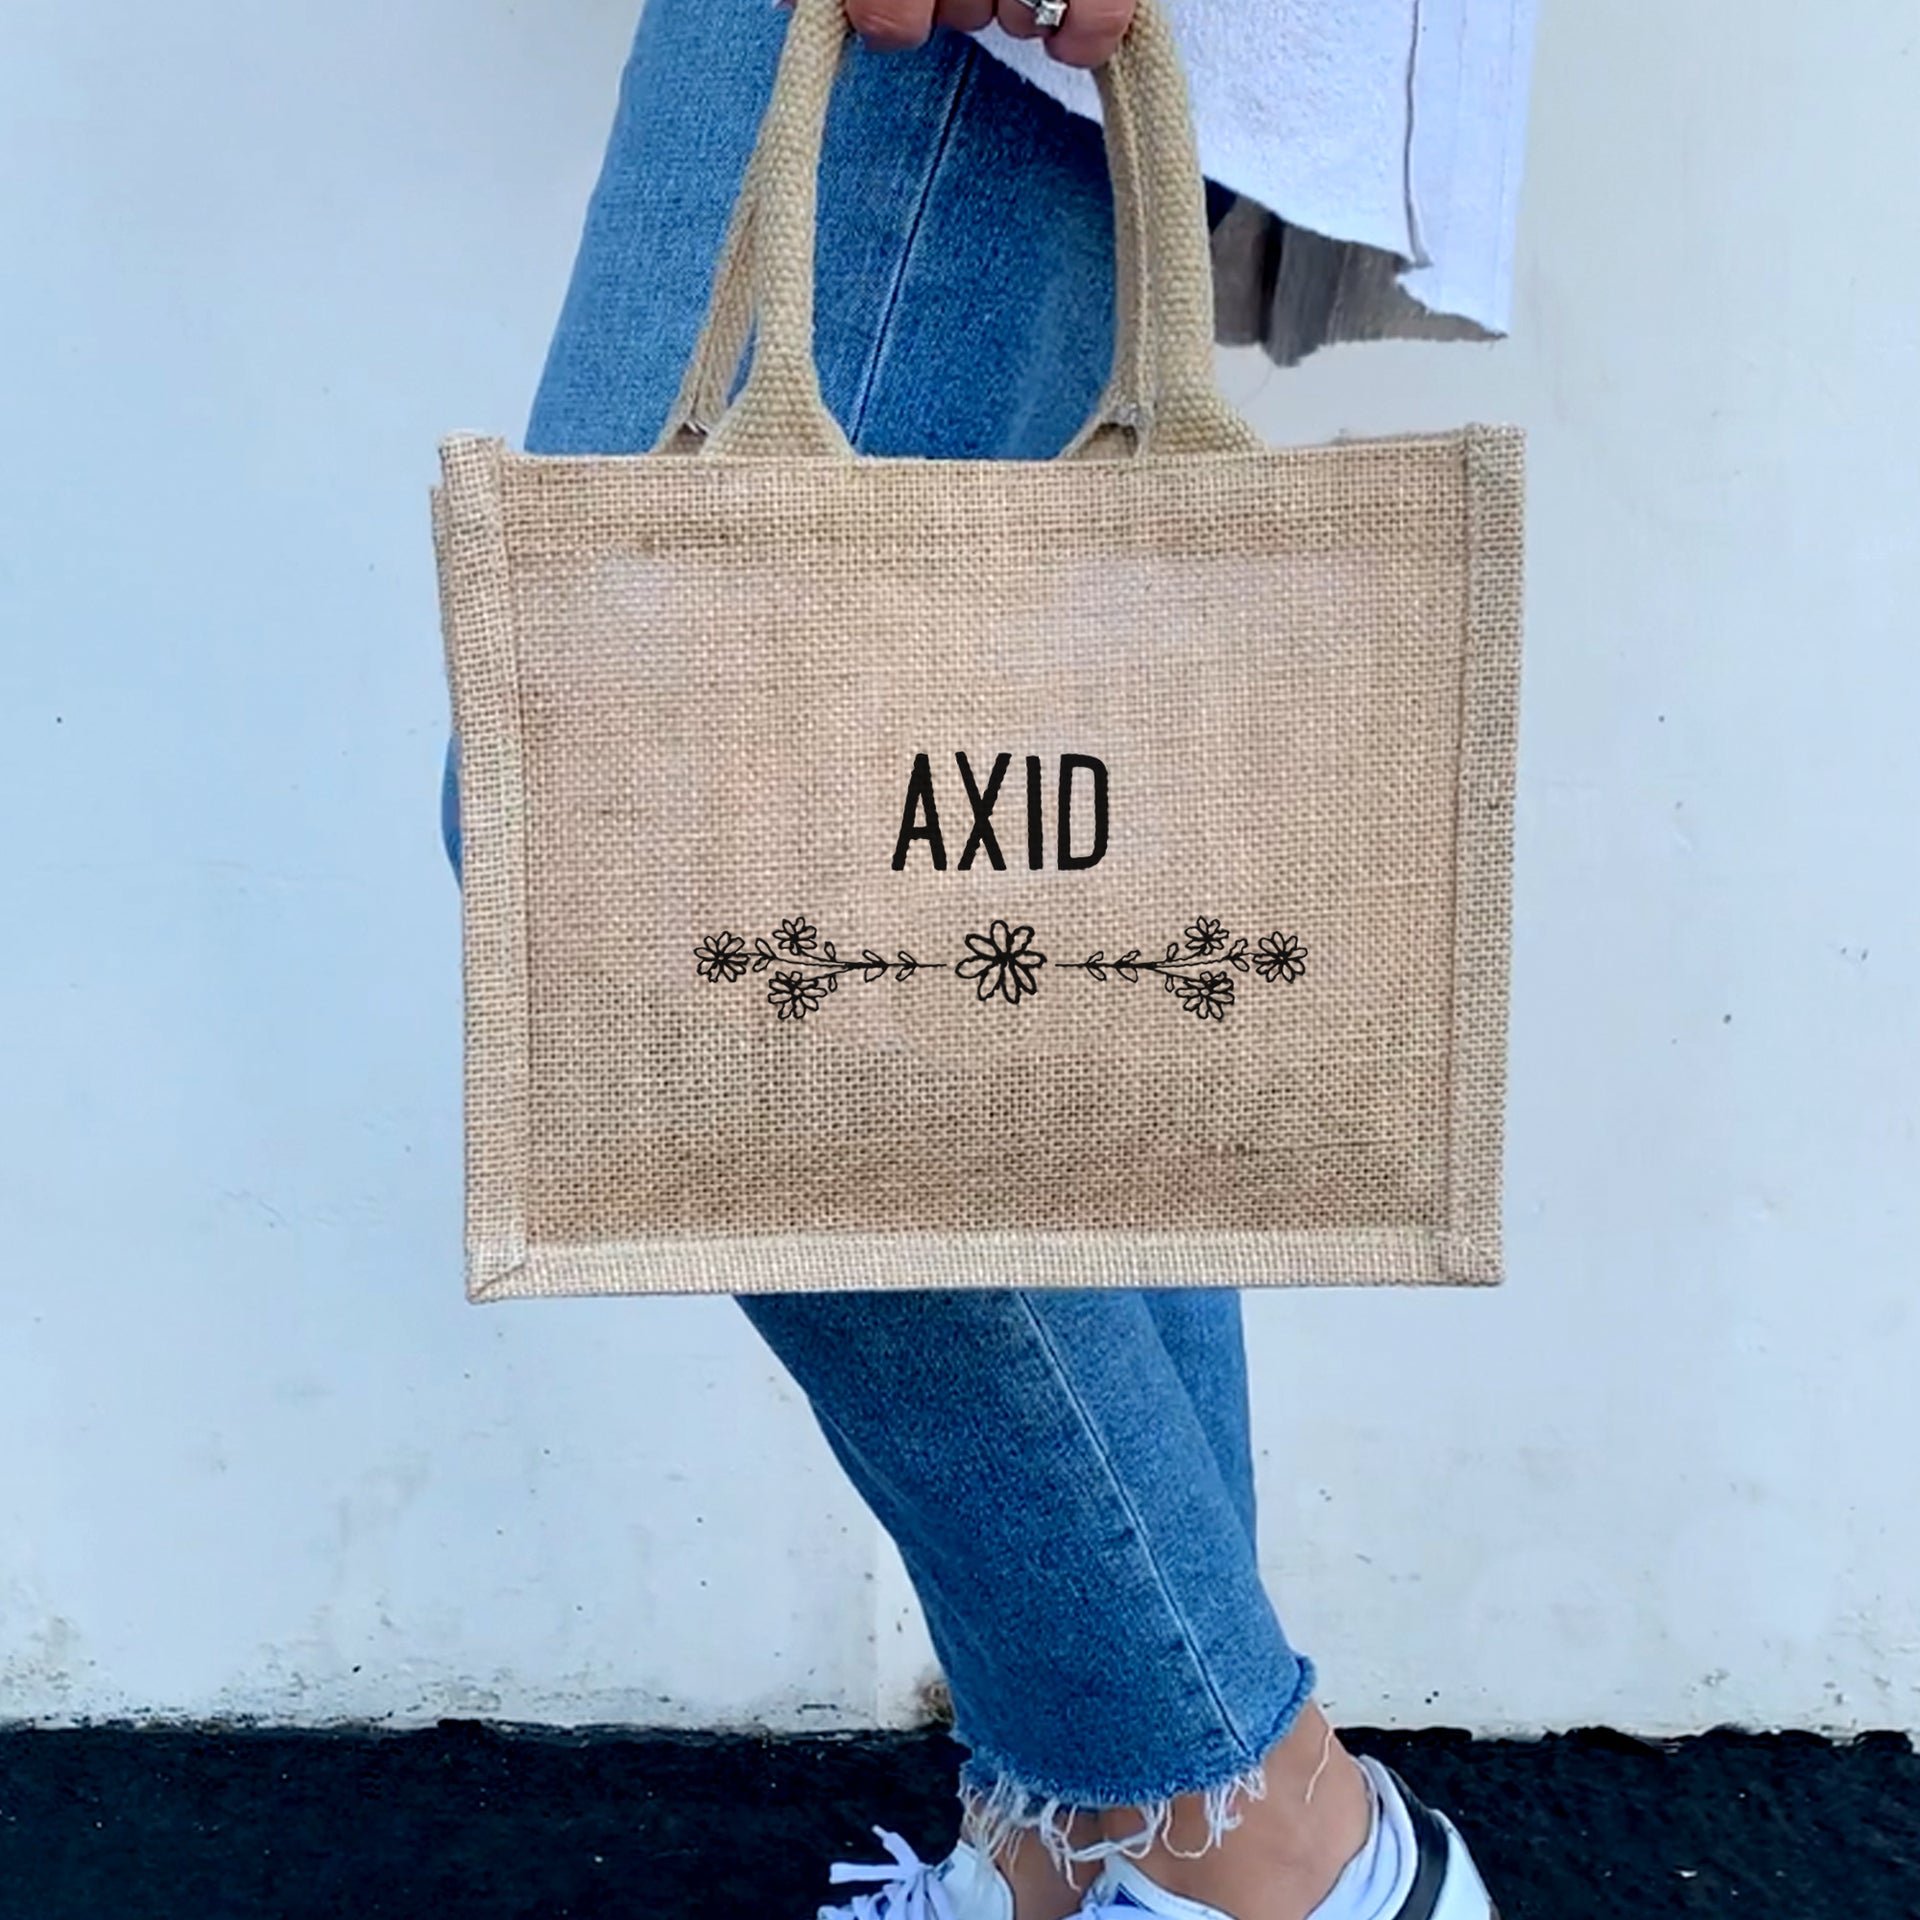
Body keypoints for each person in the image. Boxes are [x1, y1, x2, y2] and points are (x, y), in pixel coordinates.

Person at [440, 1, 1533, 1915]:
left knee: (637, 823)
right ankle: (1091, 1840)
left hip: (955, 37)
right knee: (977, 920)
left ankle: (1248, 1838)